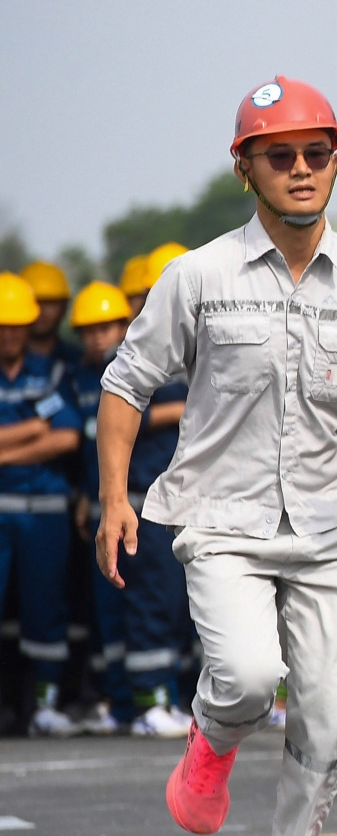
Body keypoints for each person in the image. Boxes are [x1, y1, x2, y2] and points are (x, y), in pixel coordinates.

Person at [97, 76, 337, 836]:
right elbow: (126, 383)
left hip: (335, 526)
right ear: (244, 169)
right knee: (249, 679)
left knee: (327, 721)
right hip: (223, 519)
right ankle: (211, 740)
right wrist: (114, 497)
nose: (300, 169)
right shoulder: (196, 276)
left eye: (316, 154)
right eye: (278, 156)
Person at [69, 281, 194, 737]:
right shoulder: (130, 363)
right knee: (144, 604)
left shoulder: (172, 356)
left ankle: (153, 699)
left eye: (107, 326)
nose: (98, 337)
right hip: (136, 502)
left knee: (164, 604)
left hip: (159, 502)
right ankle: (147, 702)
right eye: (90, 329)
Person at [0, 272, 84, 736]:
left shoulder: (50, 372)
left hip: (44, 512)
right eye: (2, 327)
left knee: (46, 609)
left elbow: (66, 437)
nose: (8, 335)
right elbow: (47, 431)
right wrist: (33, 428)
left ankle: (45, 705)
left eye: (16, 326)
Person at [19, 261, 81, 372]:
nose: (40, 310)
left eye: (49, 303)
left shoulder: (79, 363)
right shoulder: (6, 364)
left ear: (64, 307)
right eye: (34, 302)